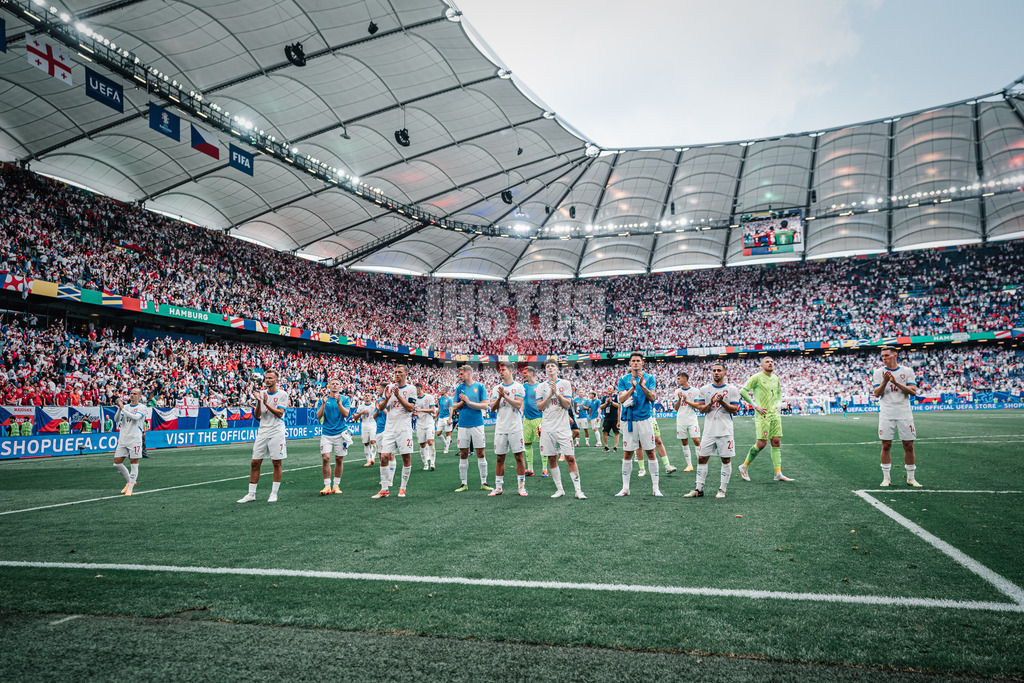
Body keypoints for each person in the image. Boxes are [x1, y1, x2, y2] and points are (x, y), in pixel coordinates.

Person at [684, 361, 740, 499]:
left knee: (725, 460)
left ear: (724, 373)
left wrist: (721, 402)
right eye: (714, 370)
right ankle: (699, 489)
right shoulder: (704, 389)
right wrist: (712, 402)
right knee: (702, 458)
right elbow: (701, 409)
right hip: (709, 431)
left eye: (719, 370)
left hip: (725, 430)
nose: (716, 372)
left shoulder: (732, 389)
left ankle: (722, 489)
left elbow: (735, 410)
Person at [738, 357, 795, 483]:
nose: (770, 363)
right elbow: (743, 391)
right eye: (767, 362)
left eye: (772, 362)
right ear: (761, 365)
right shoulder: (756, 377)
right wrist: (755, 406)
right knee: (761, 444)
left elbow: (779, 392)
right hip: (762, 414)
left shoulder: (775, 378)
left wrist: (779, 403)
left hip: (775, 414)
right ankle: (744, 466)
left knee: (776, 441)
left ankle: (778, 473)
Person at [536, 360, 586, 499]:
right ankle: (560, 489)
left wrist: (557, 393)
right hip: (547, 427)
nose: (550, 368)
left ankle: (578, 490)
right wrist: (549, 395)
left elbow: (568, 404)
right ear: (545, 370)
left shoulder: (565, 384)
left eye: (552, 366)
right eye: (547, 366)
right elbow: (539, 407)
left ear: (557, 369)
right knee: (552, 457)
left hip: (563, 427)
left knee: (570, 457)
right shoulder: (541, 386)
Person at [237, 369, 289, 503]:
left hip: (276, 431)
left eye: (271, 378)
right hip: (262, 431)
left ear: (276, 380)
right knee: (255, 462)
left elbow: (280, 413)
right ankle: (251, 494)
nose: (268, 380)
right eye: (266, 378)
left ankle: (274, 493)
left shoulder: (283, 394)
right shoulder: (261, 393)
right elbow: (256, 415)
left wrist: (266, 403)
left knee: (276, 462)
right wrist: (259, 403)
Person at [615, 352, 662, 498]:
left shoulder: (649, 378)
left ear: (642, 363)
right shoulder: (623, 379)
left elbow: (652, 398)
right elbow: (621, 399)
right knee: (628, 453)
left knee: (651, 452)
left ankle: (655, 488)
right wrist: (632, 389)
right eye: (633, 361)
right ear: (629, 363)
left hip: (645, 419)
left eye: (638, 361)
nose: (636, 363)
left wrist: (641, 386)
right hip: (629, 420)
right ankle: (625, 488)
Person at [873, 347, 920, 487]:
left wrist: (895, 382)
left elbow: (913, 392)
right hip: (886, 412)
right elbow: (876, 393)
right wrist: (885, 381)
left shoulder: (907, 371)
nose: (884, 358)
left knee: (909, 445)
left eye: (886, 355)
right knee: (886, 445)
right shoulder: (878, 372)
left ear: (895, 356)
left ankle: (911, 478)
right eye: (882, 356)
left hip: (904, 412)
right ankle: (886, 478)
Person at [373, 365, 417, 499]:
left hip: (404, 427)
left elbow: (410, 408)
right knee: (384, 457)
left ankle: (402, 488)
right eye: (396, 372)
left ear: (405, 374)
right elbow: (381, 408)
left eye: (400, 372)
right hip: (389, 427)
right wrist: (386, 398)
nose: (397, 374)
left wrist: (398, 396)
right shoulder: (388, 388)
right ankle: (384, 489)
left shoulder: (411, 389)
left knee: (406, 457)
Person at [488, 363, 527, 497]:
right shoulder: (495, 388)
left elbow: (518, 404)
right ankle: (498, 487)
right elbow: (492, 408)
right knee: (499, 457)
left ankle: (521, 486)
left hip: (515, 427)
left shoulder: (518, 387)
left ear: (511, 371)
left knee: (519, 457)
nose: (501, 372)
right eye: (500, 370)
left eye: (504, 370)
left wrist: (505, 396)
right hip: (501, 427)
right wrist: (499, 396)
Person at [452, 365, 493, 492]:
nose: (459, 376)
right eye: (459, 374)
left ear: (469, 374)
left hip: (477, 424)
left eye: (461, 374)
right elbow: (454, 406)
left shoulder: (480, 387)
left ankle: (484, 482)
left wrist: (469, 402)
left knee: (481, 452)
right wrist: (462, 402)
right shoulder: (459, 388)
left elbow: (485, 405)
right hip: (463, 424)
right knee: (463, 453)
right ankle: (463, 483)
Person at [316, 377, 351, 495]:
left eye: (337, 384)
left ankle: (336, 485)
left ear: (340, 387)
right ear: (329, 386)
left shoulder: (345, 399)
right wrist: (323, 404)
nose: (335, 386)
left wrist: (339, 403)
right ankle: (327, 486)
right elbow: (318, 416)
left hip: (340, 433)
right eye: (333, 384)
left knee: (339, 459)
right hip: (326, 433)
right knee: (325, 458)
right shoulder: (323, 399)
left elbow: (346, 414)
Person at [113, 388, 146, 496]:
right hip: (123, 438)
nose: (132, 395)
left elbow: (136, 417)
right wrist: (119, 409)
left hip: (135, 439)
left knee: (134, 463)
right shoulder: (125, 407)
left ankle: (130, 488)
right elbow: (116, 420)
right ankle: (130, 481)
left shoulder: (142, 407)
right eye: (131, 393)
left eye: (135, 394)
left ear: (139, 396)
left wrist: (122, 408)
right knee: (117, 463)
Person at [673, 372, 700, 472]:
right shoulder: (677, 391)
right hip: (681, 420)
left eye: (679, 379)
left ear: (685, 379)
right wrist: (680, 399)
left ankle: (700, 463)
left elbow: (697, 405)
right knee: (684, 441)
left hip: (692, 419)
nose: (677, 380)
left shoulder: (695, 391)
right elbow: (675, 408)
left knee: (696, 440)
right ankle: (689, 465)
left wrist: (686, 400)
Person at [521, 366, 544, 476]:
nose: (523, 374)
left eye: (525, 373)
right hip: (526, 419)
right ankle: (530, 469)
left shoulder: (540, 386)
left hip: (538, 418)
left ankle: (544, 469)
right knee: (527, 443)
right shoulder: (523, 386)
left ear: (531, 373)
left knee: (542, 443)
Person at [413, 383, 438, 471]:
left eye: (415, 389)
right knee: (422, 444)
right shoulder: (414, 399)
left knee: (430, 442)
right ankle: (425, 464)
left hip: (429, 423)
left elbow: (432, 410)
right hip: (419, 424)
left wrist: (421, 410)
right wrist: (414, 413)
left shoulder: (429, 397)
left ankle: (432, 462)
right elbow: (412, 411)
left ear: (419, 388)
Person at [355, 393, 377, 466]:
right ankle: (368, 460)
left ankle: (372, 459)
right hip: (364, 425)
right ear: (363, 397)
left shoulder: (374, 405)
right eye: (365, 396)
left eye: (368, 395)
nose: (367, 397)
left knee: (373, 441)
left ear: (371, 397)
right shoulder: (361, 406)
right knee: (366, 443)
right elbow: (355, 417)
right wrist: (361, 413)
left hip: (372, 424)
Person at [600, 387, 620, 453]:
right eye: (608, 388)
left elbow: (619, 406)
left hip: (615, 418)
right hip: (607, 418)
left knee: (616, 432)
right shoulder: (604, 397)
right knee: (604, 432)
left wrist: (611, 402)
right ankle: (606, 446)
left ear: (613, 390)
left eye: (610, 388)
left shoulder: (616, 396)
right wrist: (606, 403)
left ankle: (615, 447)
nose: (609, 390)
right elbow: (601, 407)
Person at [435, 387, 453, 454]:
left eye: (442, 390)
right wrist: (436, 416)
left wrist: (449, 419)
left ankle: (447, 448)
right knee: (438, 433)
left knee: (448, 433)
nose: (441, 391)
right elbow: (439, 408)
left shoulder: (449, 399)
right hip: (441, 417)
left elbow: (451, 409)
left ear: (445, 391)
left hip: (447, 417)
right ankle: (446, 444)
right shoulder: (440, 399)